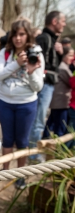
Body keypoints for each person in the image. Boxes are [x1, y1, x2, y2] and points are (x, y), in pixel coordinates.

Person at [0, 19, 44, 189]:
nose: (18, 38)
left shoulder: (36, 53)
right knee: (7, 139)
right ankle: (6, 171)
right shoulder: (5, 53)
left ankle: (20, 174)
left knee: (22, 140)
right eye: (15, 34)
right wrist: (16, 64)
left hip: (26, 104)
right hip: (5, 102)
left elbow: (38, 86)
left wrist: (30, 72)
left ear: (27, 35)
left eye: (21, 34)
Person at [28, 11, 66, 162]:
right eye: (62, 21)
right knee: (38, 121)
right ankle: (33, 155)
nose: (64, 24)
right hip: (44, 84)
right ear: (55, 21)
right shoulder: (43, 38)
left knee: (39, 120)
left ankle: (33, 153)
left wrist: (60, 54)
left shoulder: (53, 40)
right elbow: (36, 62)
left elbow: (52, 63)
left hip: (49, 84)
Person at [43, 47, 74, 147]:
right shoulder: (63, 68)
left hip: (58, 102)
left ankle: (48, 144)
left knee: (52, 125)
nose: (72, 57)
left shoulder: (62, 66)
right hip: (61, 103)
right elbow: (71, 82)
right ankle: (58, 150)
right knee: (60, 128)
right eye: (70, 55)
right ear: (64, 56)